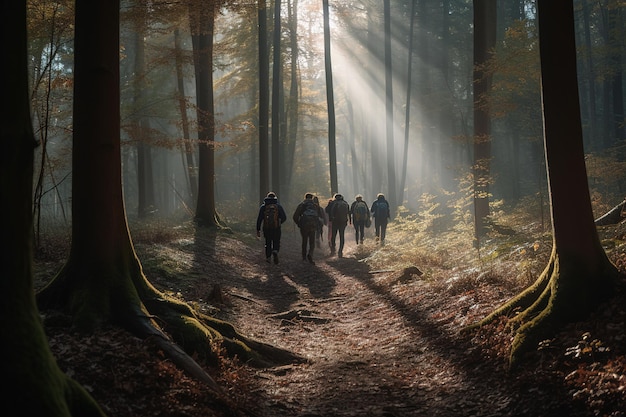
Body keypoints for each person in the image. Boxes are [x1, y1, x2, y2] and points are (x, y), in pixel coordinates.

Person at [256, 192, 287, 264]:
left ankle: (268, 257)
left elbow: (259, 219)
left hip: (266, 228)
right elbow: (284, 217)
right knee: (276, 241)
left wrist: (258, 229)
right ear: (275, 198)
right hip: (276, 228)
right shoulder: (278, 206)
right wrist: (279, 222)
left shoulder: (263, 207)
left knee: (268, 242)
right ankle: (275, 251)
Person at [293, 193, 323, 264]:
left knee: (304, 241)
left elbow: (295, 216)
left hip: (304, 225)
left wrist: (299, 223)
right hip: (313, 225)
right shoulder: (315, 206)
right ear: (312, 198)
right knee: (312, 242)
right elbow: (320, 216)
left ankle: (304, 258)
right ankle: (310, 254)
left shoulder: (302, 205)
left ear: (305, 197)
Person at [330, 193, 350, 257]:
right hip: (343, 222)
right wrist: (349, 221)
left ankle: (333, 250)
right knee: (342, 236)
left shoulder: (333, 203)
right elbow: (348, 212)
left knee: (333, 236)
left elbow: (327, 210)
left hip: (335, 221)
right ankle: (340, 252)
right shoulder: (345, 203)